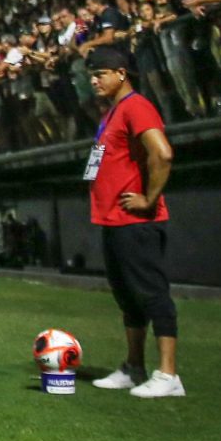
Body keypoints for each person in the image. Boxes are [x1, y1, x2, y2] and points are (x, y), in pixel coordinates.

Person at [83, 45, 183, 398]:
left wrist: (149, 199)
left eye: (101, 74)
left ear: (121, 73)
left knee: (152, 294)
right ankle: (134, 366)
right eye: (91, 75)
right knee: (127, 297)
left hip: (135, 221)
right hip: (113, 220)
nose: (94, 80)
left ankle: (168, 375)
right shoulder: (112, 113)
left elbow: (163, 152)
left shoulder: (136, 107)